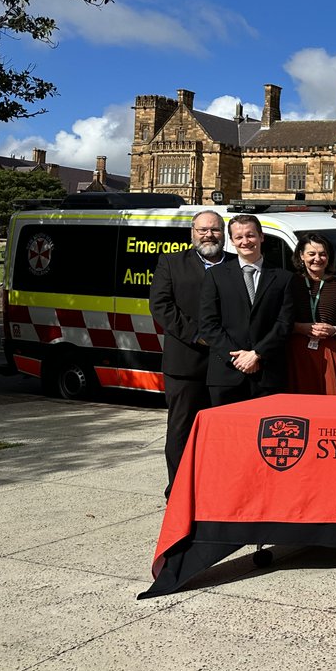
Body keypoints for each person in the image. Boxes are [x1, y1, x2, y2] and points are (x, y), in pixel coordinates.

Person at [149, 210, 227, 498]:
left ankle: (214, 490)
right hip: (185, 363)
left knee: (221, 433)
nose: (209, 235)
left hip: (226, 365)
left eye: (215, 230)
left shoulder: (236, 264)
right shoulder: (172, 263)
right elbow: (161, 306)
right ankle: (180, 492)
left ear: (224, 233)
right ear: (192, 233)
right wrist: (198, 335)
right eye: (203, 230)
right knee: (181, 432)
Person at [199, 214, 296, 406]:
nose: (245, 241)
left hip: (268, 375)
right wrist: (238, 358)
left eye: (250, 235)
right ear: (232, 241)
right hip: (226, 375)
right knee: (226, 435)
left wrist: (256, 354)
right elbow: (208, 325)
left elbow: (284, 324)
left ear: (261, 237)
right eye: (239, 237)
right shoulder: (215, 276)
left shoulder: (284, 278)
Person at [287, 233, 336, 395]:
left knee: (330, 402)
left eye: (323, 254)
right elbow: (280, 321)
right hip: (297, 351)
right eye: (311, 254)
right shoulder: (289, 283)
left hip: (329, 349)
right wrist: (302, 328)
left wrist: (334, 330)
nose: (317, 258)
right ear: (301, 256)